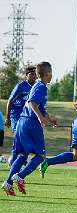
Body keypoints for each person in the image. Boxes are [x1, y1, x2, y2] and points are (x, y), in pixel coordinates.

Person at [2, 62, 57, 196]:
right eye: (51, 72)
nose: (52, 75)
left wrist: (49, 119)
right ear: (48, 74)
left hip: (22, 122)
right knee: (40, 156)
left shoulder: (36, 86)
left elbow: (39, 107)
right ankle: (20, 176)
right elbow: (32, 103)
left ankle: (8, 183)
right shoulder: (41, 87)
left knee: (21, 155)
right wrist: (39, 118)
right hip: (31, 124)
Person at [4, 65, 37, 165]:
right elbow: (10, 101)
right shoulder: (21, 86)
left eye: (35, 74)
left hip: (27, 117)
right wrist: (7, 118)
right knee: (19, 136)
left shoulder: (37, 87)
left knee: (26, 137)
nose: (34, 76)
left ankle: (17, 158)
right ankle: (15, 158)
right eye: (31, 74)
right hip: (16, 115)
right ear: (26, 75)